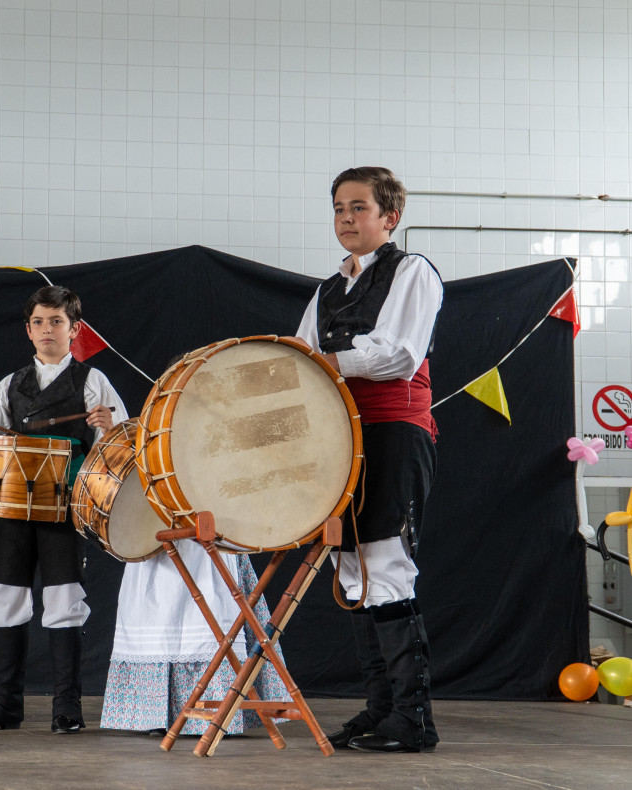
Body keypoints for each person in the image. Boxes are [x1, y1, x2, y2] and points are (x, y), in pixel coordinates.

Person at [295, 166, 443, 753]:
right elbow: (301, 355)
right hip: (338, 437)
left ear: (390, 217)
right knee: (350, 569)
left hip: (392, 429)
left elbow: (399, 355)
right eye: (338, 208)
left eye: (358, 207)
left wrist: (330, 360)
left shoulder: (413, 271)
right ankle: (381, 709)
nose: (346, 218)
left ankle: (414, 719)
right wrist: (325, 360)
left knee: (384, 561)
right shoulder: (326, 290)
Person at [0, 285, 126, 734]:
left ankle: (67, 707)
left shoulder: (94, 383)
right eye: (40, 322)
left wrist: (109, 428)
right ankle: (5, 705)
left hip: (66, 511)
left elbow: (121, 455)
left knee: (64, 601)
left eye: (58, 322)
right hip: (12, 510)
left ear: (75, 329)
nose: (48, 330)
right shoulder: (9, 386)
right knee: (6, 598)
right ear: (28, 330)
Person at [100, 539, 289, 736]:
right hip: (155, 539)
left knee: (212, 609)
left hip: (207, 539)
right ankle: (155, 715)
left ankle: (213, 712)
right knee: (158, 615)